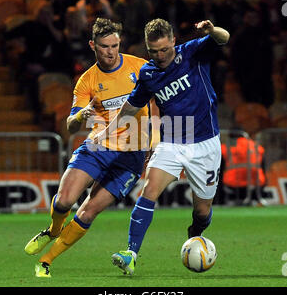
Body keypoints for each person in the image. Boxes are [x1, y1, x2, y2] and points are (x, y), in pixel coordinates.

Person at [24, 18, 158, 277]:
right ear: (92, 46)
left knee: (88, 210)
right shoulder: (86, 81)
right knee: (64, 201)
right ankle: (53, 229)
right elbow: (70, 126)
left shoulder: (139, 68)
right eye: (105, 46)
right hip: (98, 147)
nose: (111, 52)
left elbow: (160, 101)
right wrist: (80, 117)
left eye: (115, 45)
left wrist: (155, 139)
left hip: (131, 156)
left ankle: (45, 261)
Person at [94, 18, 230, 275]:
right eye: (154, 51)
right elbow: (132, 106)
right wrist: (106, 132)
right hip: (172, 143)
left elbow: (224, 38)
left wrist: (212, 31)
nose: (160, 56)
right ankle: (131, 254)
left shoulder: (192, 52)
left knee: (202, 210)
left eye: (164, 50)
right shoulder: (148, 73)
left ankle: (195, 233)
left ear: (173, 42)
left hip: (205, 144)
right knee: (149, 190)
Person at [217, 130, 267, 206]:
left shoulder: (226, 147)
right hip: (257, 184)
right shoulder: (257, 147)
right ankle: (257, 199)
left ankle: (220, 201)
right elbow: (263, 167)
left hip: (234, 184)